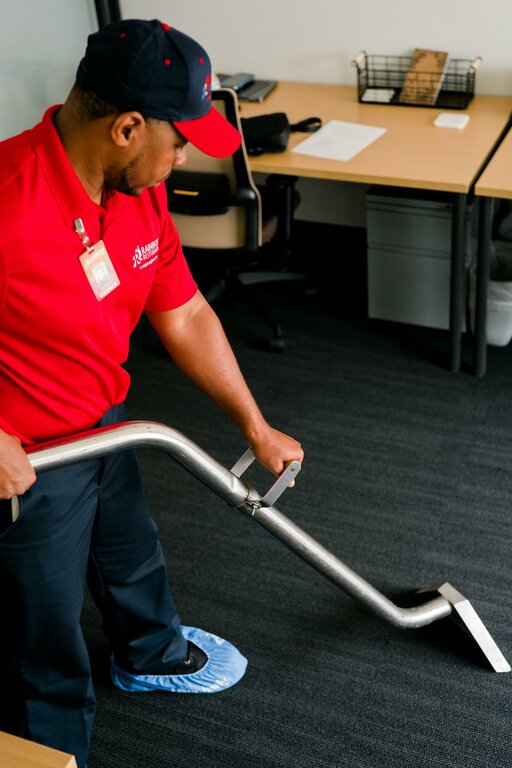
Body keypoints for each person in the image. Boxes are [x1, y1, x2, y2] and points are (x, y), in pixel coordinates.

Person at [0, 18, 303, 768]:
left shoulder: (139, 192)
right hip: (29, 457)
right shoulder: (8, 198)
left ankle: (150, 654)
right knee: (42, 632)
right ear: (128, 127)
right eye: (184, 137)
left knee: (131, 554)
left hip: (106, 424)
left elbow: (186, 312)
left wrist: (253, 424)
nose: (191, 153)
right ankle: (47, 750)